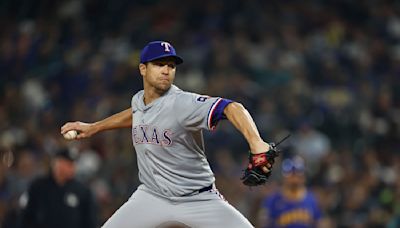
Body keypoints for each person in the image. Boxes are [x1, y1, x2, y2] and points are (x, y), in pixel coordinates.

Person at [61, 40, 273, 228]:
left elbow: (232, 107)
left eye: (171, 66)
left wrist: (257, 143)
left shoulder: (182, 103)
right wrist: (93, 127)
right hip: (151, 196)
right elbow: (136, 113)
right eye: (159, 64)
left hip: (198, 199)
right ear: (143, 69)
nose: (166, 70)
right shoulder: (138, 100)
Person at [19, 148, 97, 228]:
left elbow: (89, 222)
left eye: (73, 164)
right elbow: (27, 217)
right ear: (57, 163)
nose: (73, 167)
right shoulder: (38, 187)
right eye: (68, 164)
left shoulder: (82, 191)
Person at [260, 155, 322, 228]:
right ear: (284, 177)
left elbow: (318, 222)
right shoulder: (273, 199)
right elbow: (264, 223)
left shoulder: (312, 199)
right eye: (291, 174)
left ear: (303, 177)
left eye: (297, 174)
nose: (294, 178)